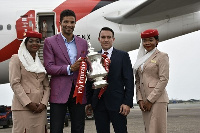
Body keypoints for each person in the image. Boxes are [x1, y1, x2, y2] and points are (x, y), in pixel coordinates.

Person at [43, 9, 88, 133]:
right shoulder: (50, 42)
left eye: (72, 22)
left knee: (78, 128)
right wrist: (70, 68)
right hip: (59, 92)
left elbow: (86, 66)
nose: (69, 25)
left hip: (79, 92)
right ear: (60, 23)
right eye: (66, 22)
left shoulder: (83, 43)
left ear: (75, 23)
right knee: (56, 129)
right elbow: (49, 67)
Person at [86, 27, 134, 133]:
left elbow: (129, 81)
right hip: (98, 104)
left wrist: (127, 103)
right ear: (99, 39)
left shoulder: (123, 56)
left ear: (113, 39)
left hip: (118, 104)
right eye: (103, 37)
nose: (106, 40)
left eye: (109, 37)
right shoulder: (93, 57)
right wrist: (89, 102)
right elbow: (89, 81)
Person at [9, 31, 50, 133]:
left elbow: (47, 86)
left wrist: (44, 104)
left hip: (40, 109)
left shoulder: (40, 63)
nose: (34, 43)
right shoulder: (16, 59)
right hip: (23, 108)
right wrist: (28, 103)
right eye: (31, 41)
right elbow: (15, 83)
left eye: (37, 41)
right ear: (25, 43)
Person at [134, 29, 169, 133]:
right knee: (149, 129)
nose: (147, 43)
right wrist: (139, 99)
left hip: (157, 100)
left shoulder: (162, 56)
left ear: (157, 41)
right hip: (144, 101)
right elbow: (138, 81)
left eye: (150, 40)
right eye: (144, 41)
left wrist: (150, 100)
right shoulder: (141, 58)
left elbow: (164, 79)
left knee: (157, 129)